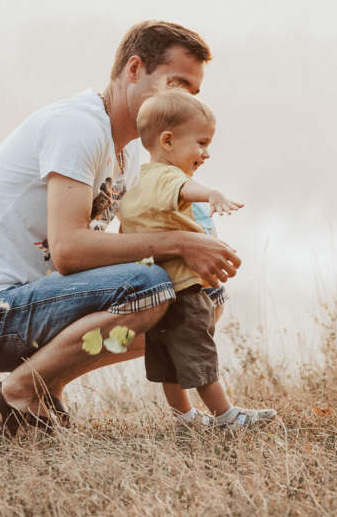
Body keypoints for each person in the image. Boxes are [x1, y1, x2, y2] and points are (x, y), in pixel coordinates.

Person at [0, 20, 257, 435]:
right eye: (175, 84)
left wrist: (193, 250)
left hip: (33, 306)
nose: (182, 100)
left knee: (199, 295)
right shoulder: (79, 127)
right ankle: (18, 391)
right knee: (149, 287)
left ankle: (47, 387)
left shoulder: (126, 154)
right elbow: (70, 252)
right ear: (134, 69)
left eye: (192, 93)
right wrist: (180, 243)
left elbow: (110, 256)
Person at [118, 89, 276, 429]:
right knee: (201, 355)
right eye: (201, 144)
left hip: (157, 291)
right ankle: (226, 416)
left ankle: (185, 418)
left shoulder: (136, 181)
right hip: (186, 289)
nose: (206, 153)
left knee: (168, 361)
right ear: (168, 141)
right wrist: (213, 194)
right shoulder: (169, 176)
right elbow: (184, 189)